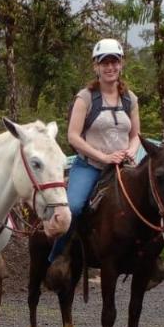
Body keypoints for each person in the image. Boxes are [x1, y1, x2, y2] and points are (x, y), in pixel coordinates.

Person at [43, 38, 153, 291]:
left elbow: (136, 134)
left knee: (153, 199)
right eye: (105, 62)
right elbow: (73, 136)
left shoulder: (130, 99)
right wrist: (103, 157)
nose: (110, 67)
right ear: (96, 66)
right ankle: (58, 258)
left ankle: (150, 261)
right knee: (74, 207)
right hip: (91, 165)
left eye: (114, 61)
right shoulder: (86, 98)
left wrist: (130, 151)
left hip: (123, 165)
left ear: (121, 64)